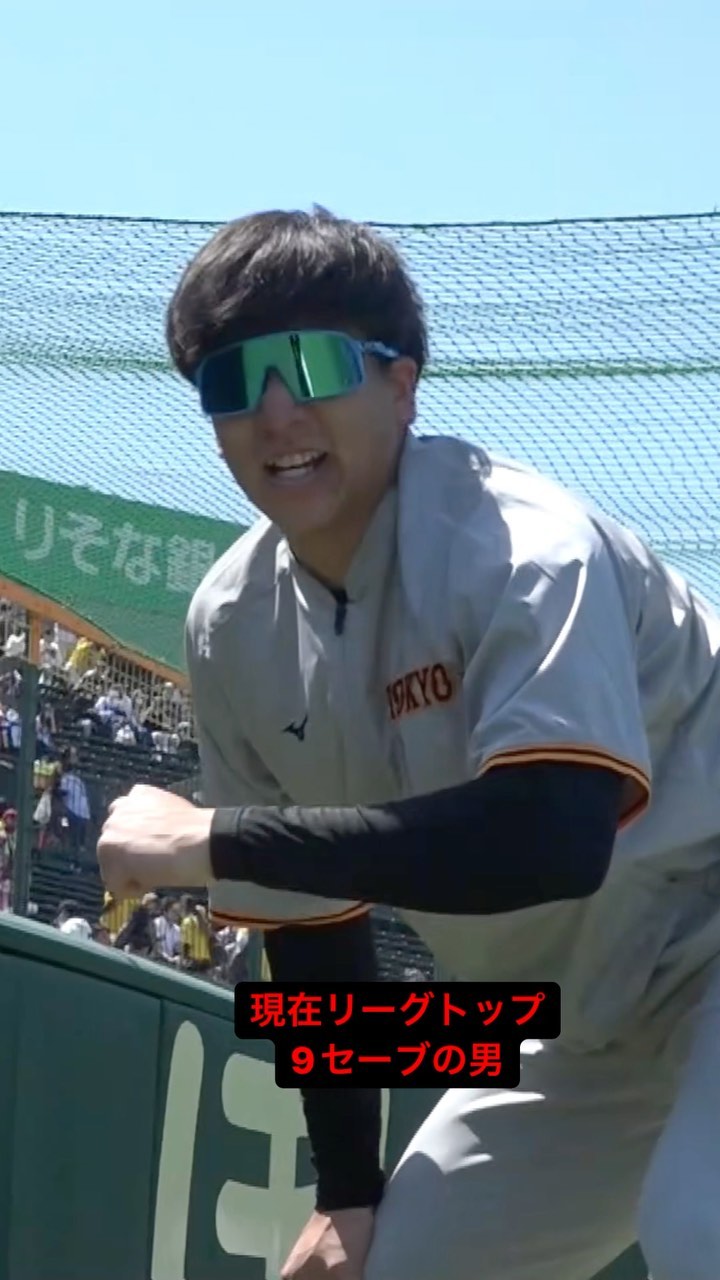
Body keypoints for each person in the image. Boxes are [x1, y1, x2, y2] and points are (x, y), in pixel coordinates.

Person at [97, 207, 720, 1280]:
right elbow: (312, 924)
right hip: (585, 1029)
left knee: (700, 1229)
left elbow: (550, 837)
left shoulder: (524, 548)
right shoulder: (230, 622)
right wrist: (346, 1193)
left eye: (314, 363)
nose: (277, 410)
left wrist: (214, 839)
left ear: (401, 384)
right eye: (234, 381)